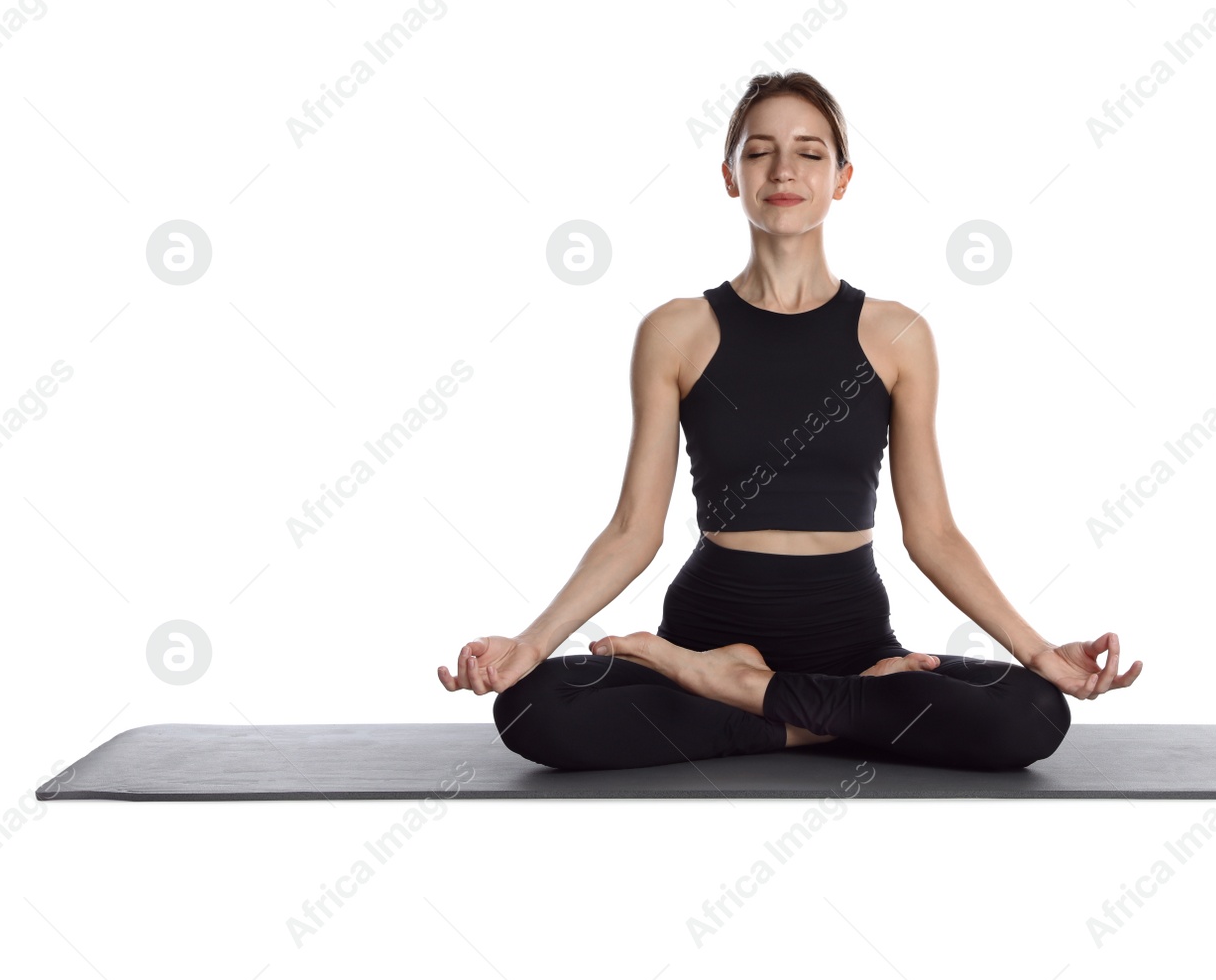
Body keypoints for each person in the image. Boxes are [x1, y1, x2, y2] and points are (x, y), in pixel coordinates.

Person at [438, 70, 1141, 771]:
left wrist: (1041, 652)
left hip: (851, 641)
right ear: (728, 175)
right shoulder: (677, 330)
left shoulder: (895, 333)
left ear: (842, 178)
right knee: (532, 707)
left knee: (1033, 713)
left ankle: (739, 694)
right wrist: (530, 644)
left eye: (809, 152)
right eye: (758, 150)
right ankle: (821, 711)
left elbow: (933, 534)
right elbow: (633, 530)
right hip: (709, 630)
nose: (783, 169)